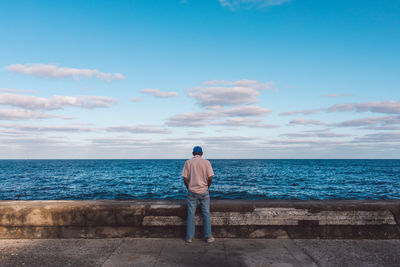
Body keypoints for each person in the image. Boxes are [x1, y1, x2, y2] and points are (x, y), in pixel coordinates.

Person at [181, 146, 215, 243]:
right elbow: (210, 178)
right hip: (204, 191)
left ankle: (189, 237)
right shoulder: (206, 162)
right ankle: (208, 237)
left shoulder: (188, 162)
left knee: (191, 214)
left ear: (193, 153)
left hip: (192, 191)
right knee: (206, 213)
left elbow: (184, 178)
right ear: (202, 153)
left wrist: (189, 187)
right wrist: (207, 187)